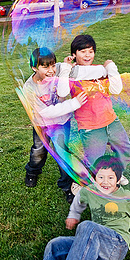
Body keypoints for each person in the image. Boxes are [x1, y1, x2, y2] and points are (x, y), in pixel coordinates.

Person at [59, 34, 130, 184]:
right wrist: (65, 70)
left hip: (111, 120)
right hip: (90, 126)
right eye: (82, 51)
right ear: (74, 54)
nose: (87, 55)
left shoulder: (99, 71)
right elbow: (62, 93)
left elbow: (116, 89)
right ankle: (86, 185)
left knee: (125, 150)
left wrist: (111, 67)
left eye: (90, 51)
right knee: (95, 162)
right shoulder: (72, 74)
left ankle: (115, 175)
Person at [23, 47, 88, 203]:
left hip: (61, 123)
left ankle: (67, 186)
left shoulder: (57, 68)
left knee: (62, 153)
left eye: (52, 65)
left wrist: (66, 64)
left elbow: (65, 70)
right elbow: (45, 112)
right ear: (34, 67)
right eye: (45, 66)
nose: (51, 70)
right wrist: (74, 103)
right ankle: (32, 171)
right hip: (42, 124)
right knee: (38, 151)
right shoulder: (29, 88)